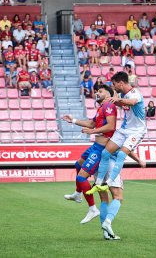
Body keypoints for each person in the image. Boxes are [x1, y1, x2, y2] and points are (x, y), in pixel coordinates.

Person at [62, 85, 117, 222]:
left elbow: (111, 126)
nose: (97, 93)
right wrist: (73, 120)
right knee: (78, 164)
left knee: (82, 178)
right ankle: (78, 194)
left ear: (109, 94)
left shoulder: (109, 106)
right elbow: (91, 124)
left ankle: (92, 209)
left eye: (101, 91)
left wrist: (92, 132)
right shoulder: (101, 108)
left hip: (101, 148)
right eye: (97, 91)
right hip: (95, 146)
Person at [87, 72, 147, 196]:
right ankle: (98, 184)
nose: (113, 87)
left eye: (114, 84)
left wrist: (117, 99)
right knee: (105, 153)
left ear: (121, 83)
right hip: (124, 129)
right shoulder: (121, 94)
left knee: (120, 155)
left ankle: (108, 183)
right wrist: (113, 101)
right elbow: (121, 103)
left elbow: (132, 102)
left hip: (136, 131)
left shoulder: (135, 93)